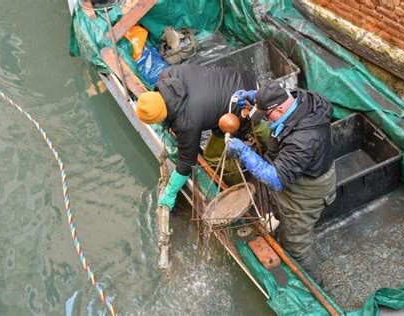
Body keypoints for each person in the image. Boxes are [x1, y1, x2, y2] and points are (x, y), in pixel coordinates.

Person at [227, 82, 336, 283]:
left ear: (279, 109)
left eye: (267, 116)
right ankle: (283, 220)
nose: (266, 121)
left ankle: (316, 285)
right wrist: (256, 97)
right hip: (310, 168)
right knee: (281, 208)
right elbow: (277, 93)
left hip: (309, 190)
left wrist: (244, 152)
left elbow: (276, 180)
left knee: (296, 245)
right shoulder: (301, 98)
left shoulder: (302, 141)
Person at [135, 64, 266, 210]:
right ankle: (268, 135)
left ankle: (237, 187)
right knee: (258, 125)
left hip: (242, 106)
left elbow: (186, 163)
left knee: (213, 156)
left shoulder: (186, 121)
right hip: (245, 81)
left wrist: (171, 192)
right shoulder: (169, 73)